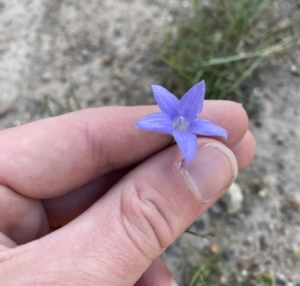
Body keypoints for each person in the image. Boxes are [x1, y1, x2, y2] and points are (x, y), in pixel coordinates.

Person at [0, 101, 255, 285]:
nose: (179, 123)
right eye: (177, 122)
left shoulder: (186, 124)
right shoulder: (169, 121)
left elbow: (210, 130)